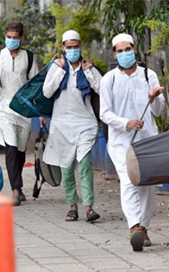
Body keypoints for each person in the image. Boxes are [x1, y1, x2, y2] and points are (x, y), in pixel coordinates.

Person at [100, 33, 165, 252]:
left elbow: (158, 111)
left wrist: (153, 98)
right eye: (120, 50)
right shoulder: (109, 79)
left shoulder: (149, 75)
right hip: (121, 142)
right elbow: (105, 113)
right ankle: (134, 225)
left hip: (147, 140)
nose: (125, 54)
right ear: (114, 54)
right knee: (129, 181)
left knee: (147, 185)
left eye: (128, 49)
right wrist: (126, 123)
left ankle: (144, 228)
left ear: (135, 50)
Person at [42, 30, 102, 222]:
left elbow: (102, 89)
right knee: (66, 168)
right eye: (69, 47)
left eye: (76, 47)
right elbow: (46, 92)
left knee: (84, 165)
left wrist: (88, 72)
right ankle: (72, 206)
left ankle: (89, 207)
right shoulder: (57, 67)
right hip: (61, 125)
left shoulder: (89, 67)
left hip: (85, 123)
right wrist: (59, 69)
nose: (73, 51)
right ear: (63, 48)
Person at [0, 22, 38, 206]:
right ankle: (15, 190)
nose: (11, 41)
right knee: (11, 147)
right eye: (9, 37)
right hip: (3, 109)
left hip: (24, 111)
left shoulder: (29, 57)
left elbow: (36, 86)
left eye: (15, 38)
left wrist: (41, 111)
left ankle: (18, 187)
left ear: (22, 38)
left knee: (20, 152)